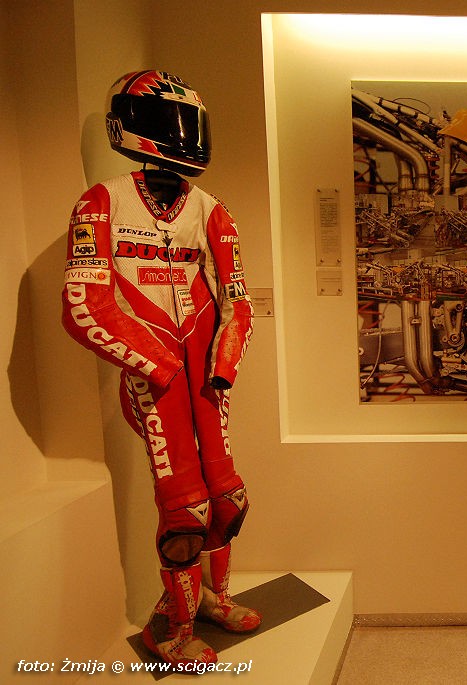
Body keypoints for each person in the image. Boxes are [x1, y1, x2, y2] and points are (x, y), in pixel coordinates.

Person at [61, 71, 260, 667]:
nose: (183, 135)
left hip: (207, 378)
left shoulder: (211, 209)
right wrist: (158, 364)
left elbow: (238, 301)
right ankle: (172, 627)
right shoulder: (101, 202)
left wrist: (222, 365)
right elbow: (84, 304)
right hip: (154, 380)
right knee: (184, 510)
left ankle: (214, 598)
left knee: (228, 499)